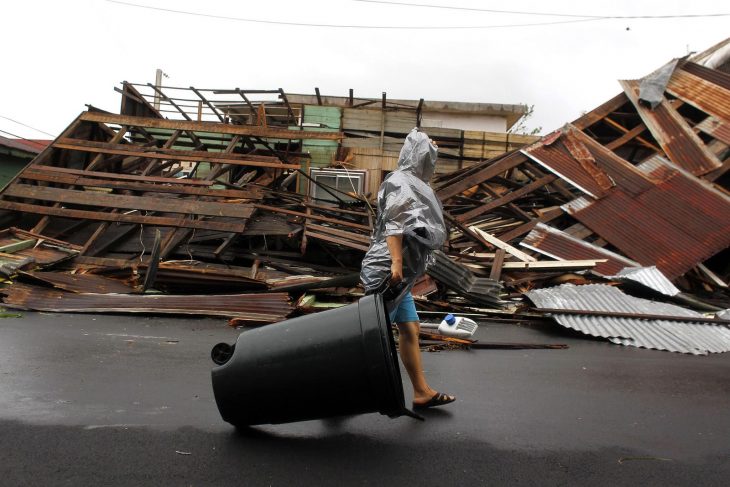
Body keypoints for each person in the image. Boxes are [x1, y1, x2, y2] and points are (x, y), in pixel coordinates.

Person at [361, 128, 455, 410]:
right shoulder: (401, 181)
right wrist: (397, 264)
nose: (431, 163)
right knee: (370, 340)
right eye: (428, 156)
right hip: (387, 273)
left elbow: (421, 230)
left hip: (402, 276)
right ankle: (334, 393)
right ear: (417, 157)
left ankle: (421, 392)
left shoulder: (417, 185)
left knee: (410, 328)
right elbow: (396, 225)